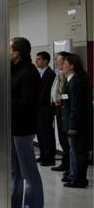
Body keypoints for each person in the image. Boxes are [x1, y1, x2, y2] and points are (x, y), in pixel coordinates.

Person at [10, 37, 43, 208]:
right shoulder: (14, 70)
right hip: (13, 128)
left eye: (9, 48)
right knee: (15, 172)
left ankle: (33, 205)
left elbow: (26, 104)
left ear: (17, 53)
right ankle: (14, 204)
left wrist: (6, 101)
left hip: (23, 130)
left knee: (29, 174)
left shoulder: (29, 73)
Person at [60, 54, 92, 188]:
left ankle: (80, 179)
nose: (62, 66)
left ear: (72, 65)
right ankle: (74, 176)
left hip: (79, 124)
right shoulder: (72, 80)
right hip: (75, 121)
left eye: (64, 64)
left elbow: (76, 106)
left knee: (79, 152)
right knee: (75, 150)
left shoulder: (76, 82)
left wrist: (73, 126)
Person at [49, 51, 71, 174]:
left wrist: (60, 98)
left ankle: (68, 165)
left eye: (58, 59)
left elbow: (67, 94)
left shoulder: (68, 76)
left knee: (66, 137)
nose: (56, 61)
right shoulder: (59, 74)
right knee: (62, 137)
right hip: (57, 108)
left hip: (64, 108)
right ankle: (65, 162)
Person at [35, 51, 56, 166]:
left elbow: (45, 93)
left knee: (46, 134)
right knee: (40, 134)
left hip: (45, 109)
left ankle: (49, 158)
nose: (36, 61)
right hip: (39, 110)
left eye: (39, 59)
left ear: (45, 60)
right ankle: (43, 155)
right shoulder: (41, 73)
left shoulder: (50, 74)